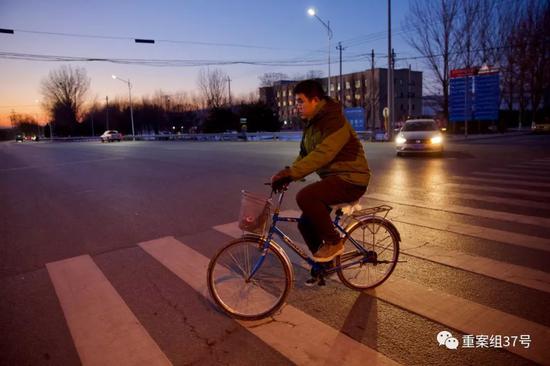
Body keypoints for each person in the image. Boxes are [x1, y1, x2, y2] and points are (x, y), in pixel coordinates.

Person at [271, 79, 371, 266]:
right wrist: (287, 174)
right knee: (306, 224)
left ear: (315, 100)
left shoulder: (334, 121)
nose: (297, 106)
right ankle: (326, 264)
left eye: (300, 101)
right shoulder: (312, 125)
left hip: (352, 180)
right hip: (335, 179)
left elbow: (323, 154)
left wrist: (292, 173)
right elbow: (305, 155)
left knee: (306, 197)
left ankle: (334, 243)